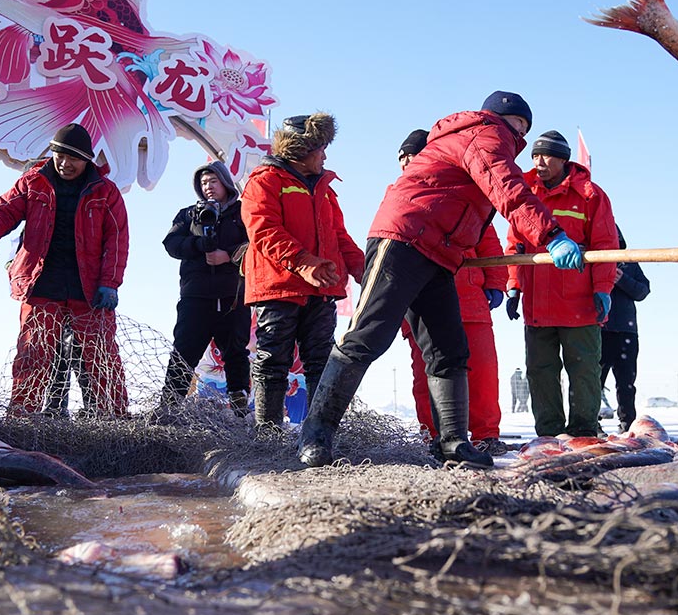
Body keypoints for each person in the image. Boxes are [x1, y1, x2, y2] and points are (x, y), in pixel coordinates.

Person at [298, 90, 587, 469]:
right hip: (404, 240)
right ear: (509, 120)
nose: (520, 137)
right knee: (365, 338)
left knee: (449, 350)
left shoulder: (478, 137)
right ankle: (315, 434)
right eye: (521, 126)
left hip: (440, 254)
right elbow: (506, 188)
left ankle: (452, 441)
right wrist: (552, 235)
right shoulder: (486, 133)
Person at [0, 123, 130, 417]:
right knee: (33, 354)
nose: (66, 164)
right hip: (41, 285)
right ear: (52, 153)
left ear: (88, 161)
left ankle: (115, 418)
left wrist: (110, 282)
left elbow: (117, 239)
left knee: (102, 357)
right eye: (61, 155)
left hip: (89, 289)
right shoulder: (32, 182)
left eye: (75, 159)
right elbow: (4, 210)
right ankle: (22, 419)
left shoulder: (107, 192)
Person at [240, 112, 365, 429]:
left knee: (321, 360)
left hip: (321, 289)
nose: (325, 155)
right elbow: (264, 231)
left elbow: (339, 236)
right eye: (320, 148)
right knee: (273, 360)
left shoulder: (325, 188)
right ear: (301, 150)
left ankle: (318, 432)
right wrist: (303, 263)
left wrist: (366, 271)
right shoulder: (264, 181)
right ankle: (267, 433)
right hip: (278, 288)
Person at [395, 128, 509, 454]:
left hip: (470, 301)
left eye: (412, 156)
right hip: (419, 307)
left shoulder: (461, 193)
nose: (406, 163)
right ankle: (432, 434)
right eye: (402, 158)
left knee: (483, 373)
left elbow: (489, 243)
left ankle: (486, 434)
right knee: (426, 374)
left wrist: (496, 282)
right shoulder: (396, 196)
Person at [505, 129, 618, 438]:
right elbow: (515, 245)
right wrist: (513, 285)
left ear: (563, 159)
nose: (539, 161)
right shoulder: (524, 196)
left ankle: (584, 433)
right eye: (535, 155)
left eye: (546, 155)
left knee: (583, 371)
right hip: (537, 305)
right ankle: (549, 435)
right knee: (540, 372)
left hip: (579, 304)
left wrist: (603, 290)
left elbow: (606, 247)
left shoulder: (591, 196)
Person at [160, 161, 251, 414]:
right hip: (195, 296)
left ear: (224, 182)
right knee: (183, 352)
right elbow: (171, 244)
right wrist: (199, 245)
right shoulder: (188, 214)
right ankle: (168, 409)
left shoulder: (244, 213)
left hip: (233, 296)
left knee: (236, 354)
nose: (208, 187)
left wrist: (229, 255)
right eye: (203, 183)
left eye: (213, 181)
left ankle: (240, 410)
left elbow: (256, 245)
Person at [599, 227, 650, 433]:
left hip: (626, 331)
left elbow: (643, 291)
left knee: (627, 382)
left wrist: (622, 279)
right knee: (594, 380)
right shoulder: (594, 260)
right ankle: (591, 425)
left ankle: (628, 423)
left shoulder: (629, 263)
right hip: (599, 329)